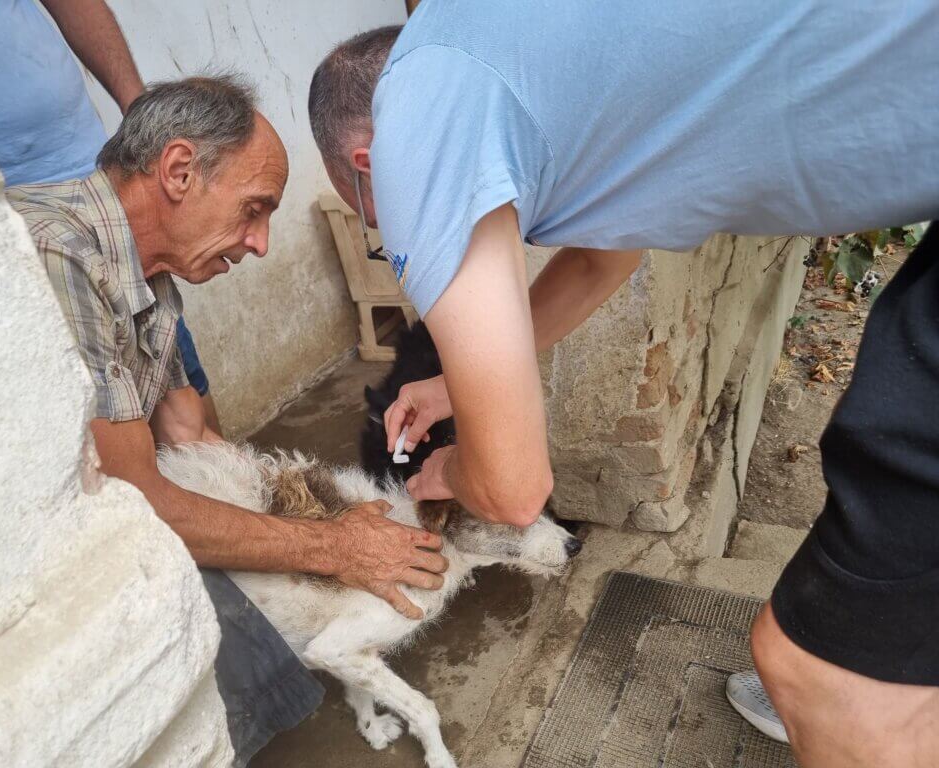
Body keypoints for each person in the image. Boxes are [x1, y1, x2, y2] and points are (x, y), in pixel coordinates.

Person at [306, 3, 938, 766]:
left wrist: (447, 471)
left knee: (825, 680)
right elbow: (603, 262)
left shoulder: (415, 122)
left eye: (379, 223)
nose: (395, 232)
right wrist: (447, 384)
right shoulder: (496, 47)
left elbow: (510, 491)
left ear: (371, 166)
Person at [7, 75, 448, 763]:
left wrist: (326, 508)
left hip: (93, 498)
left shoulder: (152, 278)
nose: (261, 242)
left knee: (250, 592)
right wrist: (331, 548)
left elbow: (190, 435)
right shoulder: (59, 252)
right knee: (209, 619)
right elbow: (139, 497)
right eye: (254, 209)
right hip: (20, 548)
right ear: (179, 170)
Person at [0, 0, 222, 434]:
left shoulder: (127, 224)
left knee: (187, 410)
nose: (258, 243)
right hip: (0, 224)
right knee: (103, 437)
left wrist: (139, 110)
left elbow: (188, 434)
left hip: (96, 183)